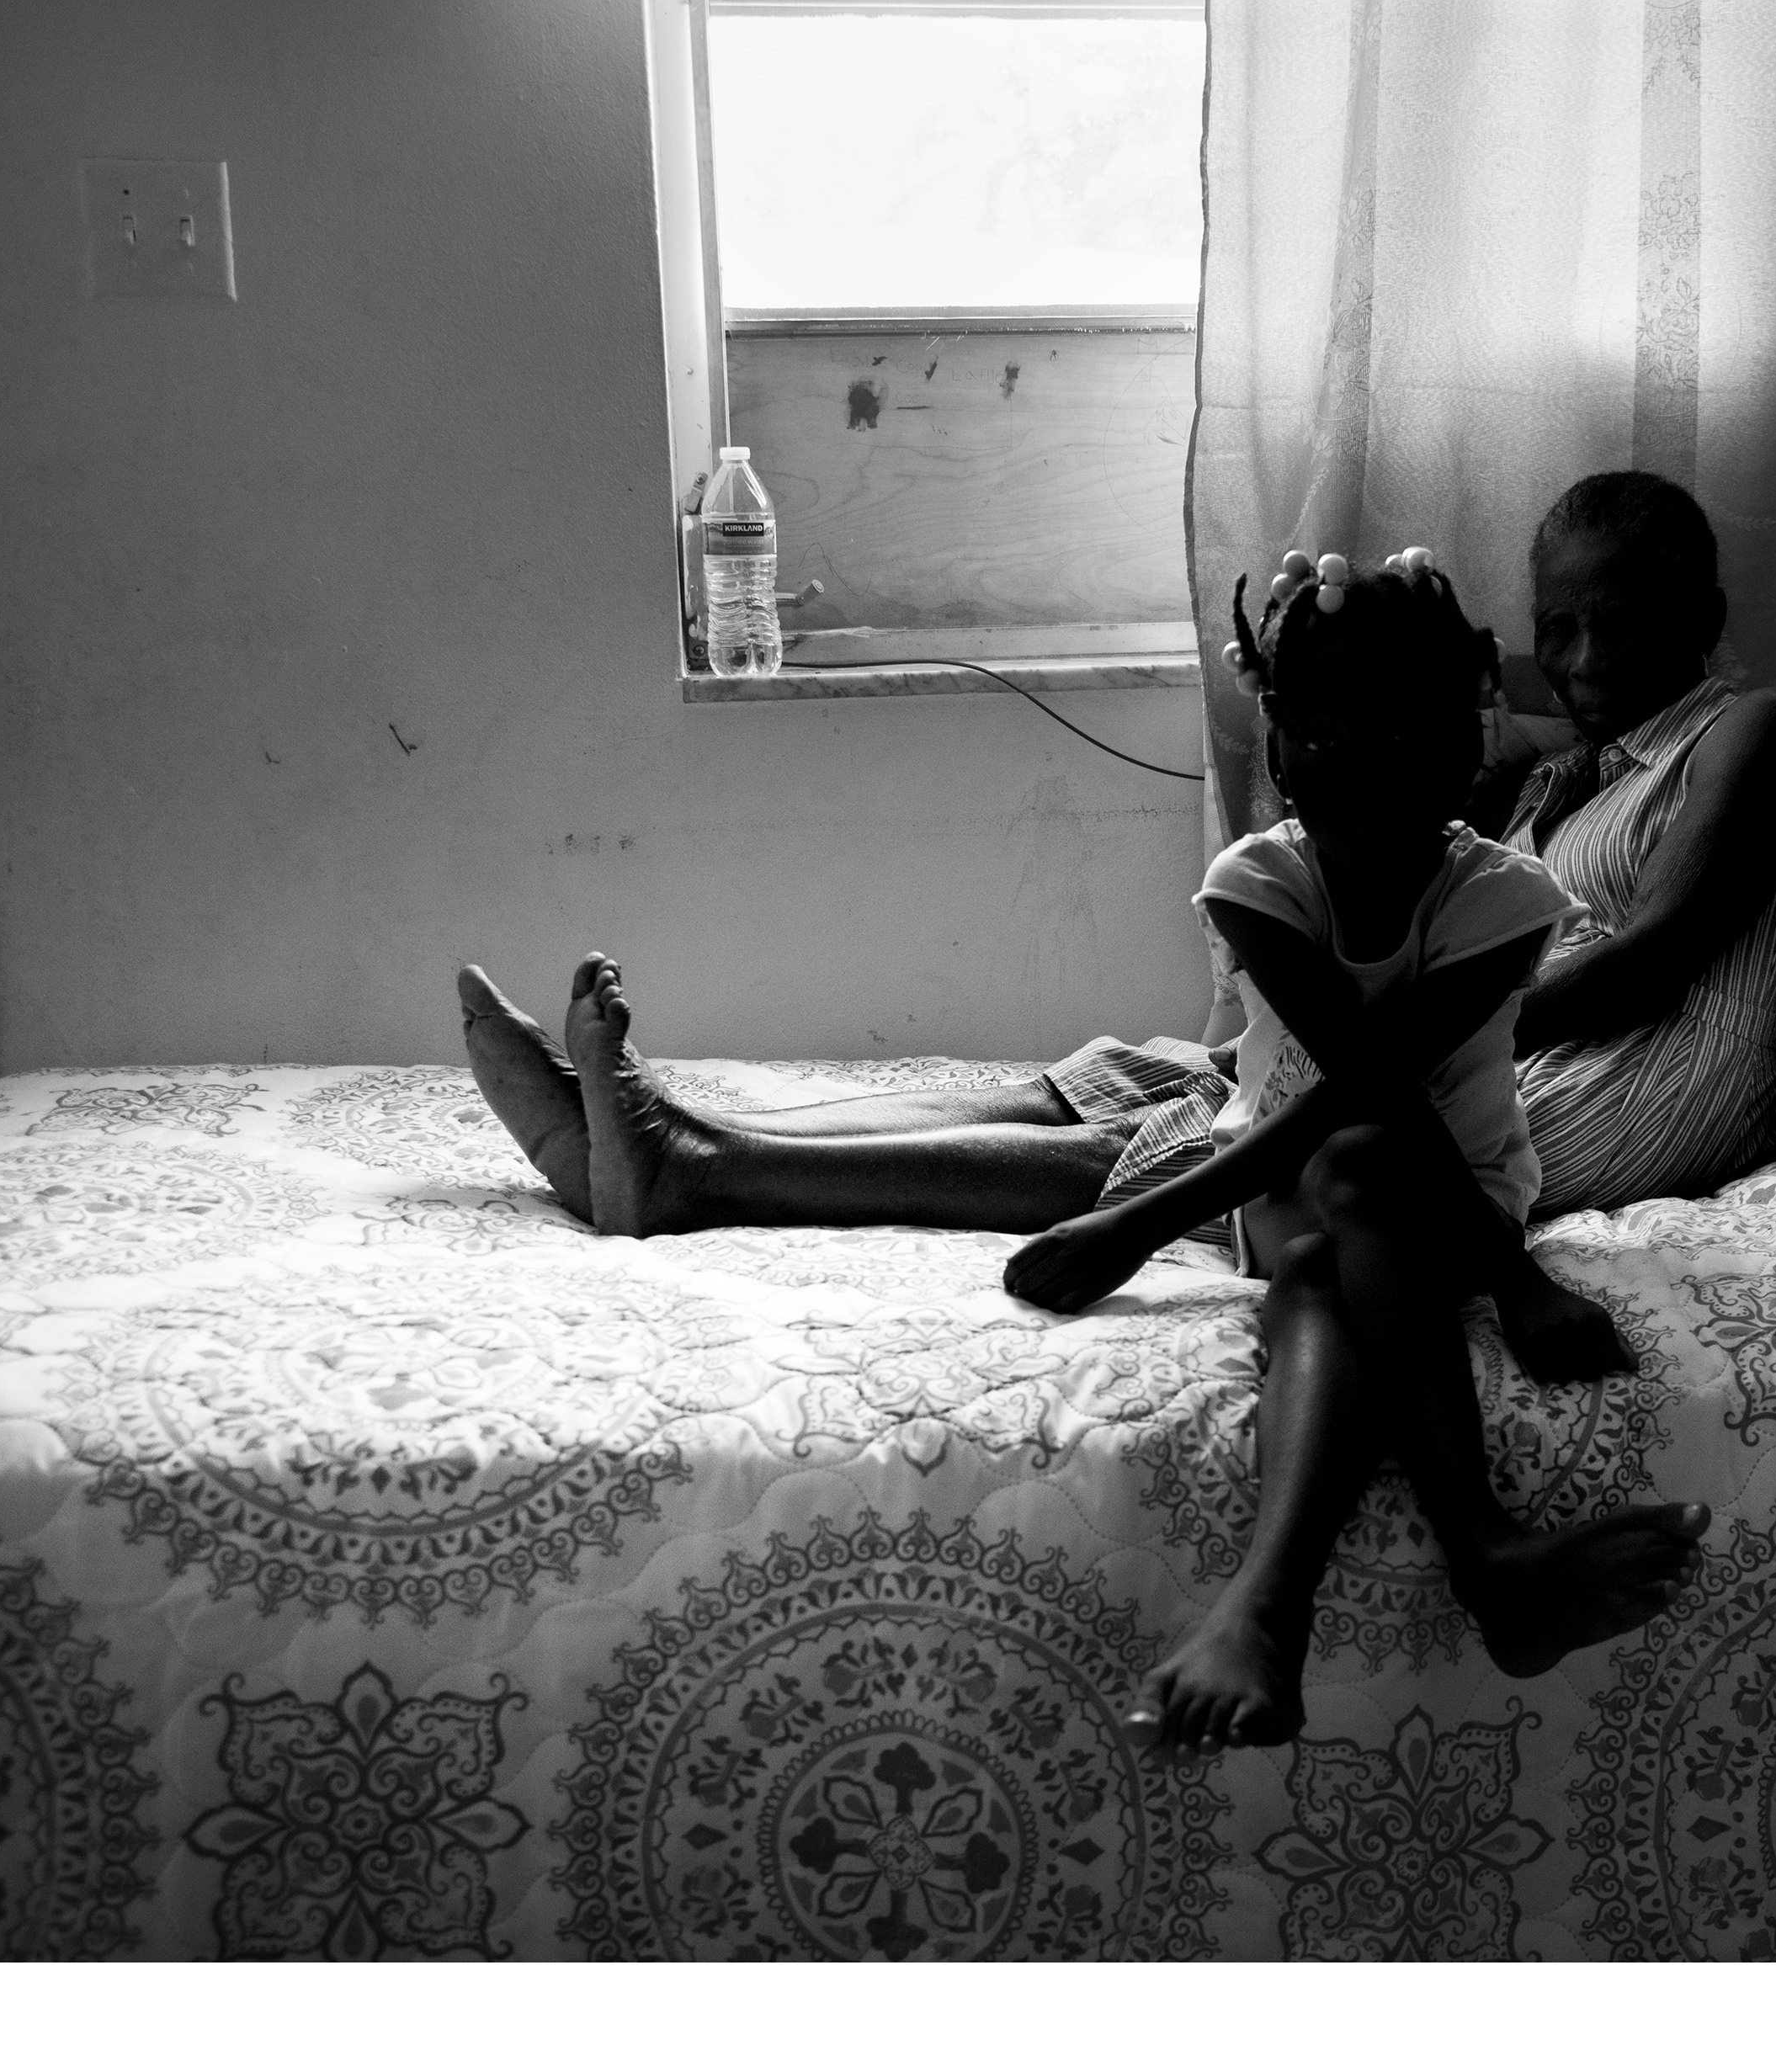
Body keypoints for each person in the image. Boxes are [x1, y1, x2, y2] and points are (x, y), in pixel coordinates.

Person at [508, 553, 1707, 1756]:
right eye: (1323, 739)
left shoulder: (1504, 898)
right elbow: (1348, 1079)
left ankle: (1279, 1604)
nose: (1360, 770)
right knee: (1302, 1213)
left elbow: (1378, 1086)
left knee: (1338, 1202)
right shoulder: (1258, 881)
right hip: (1277, 1186)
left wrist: (1159, 1225)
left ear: (1464, 749)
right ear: (1280, 752)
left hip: (1450, 1207)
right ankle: (1475, 1556)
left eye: (1402, 737)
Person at [455, 471, 1776, 1384]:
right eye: (1560, 628)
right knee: (1140, 1071)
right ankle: (667, 1125)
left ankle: (697, 1175)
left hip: (1635, 1075)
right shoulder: (1559, 775)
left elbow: (1655, 958)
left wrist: (1421, 1027)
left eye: (1622, 627)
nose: (1583, 660)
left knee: (1214, 1131)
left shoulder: (1749, 732)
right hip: (1514, 1040)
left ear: (1706, 621)